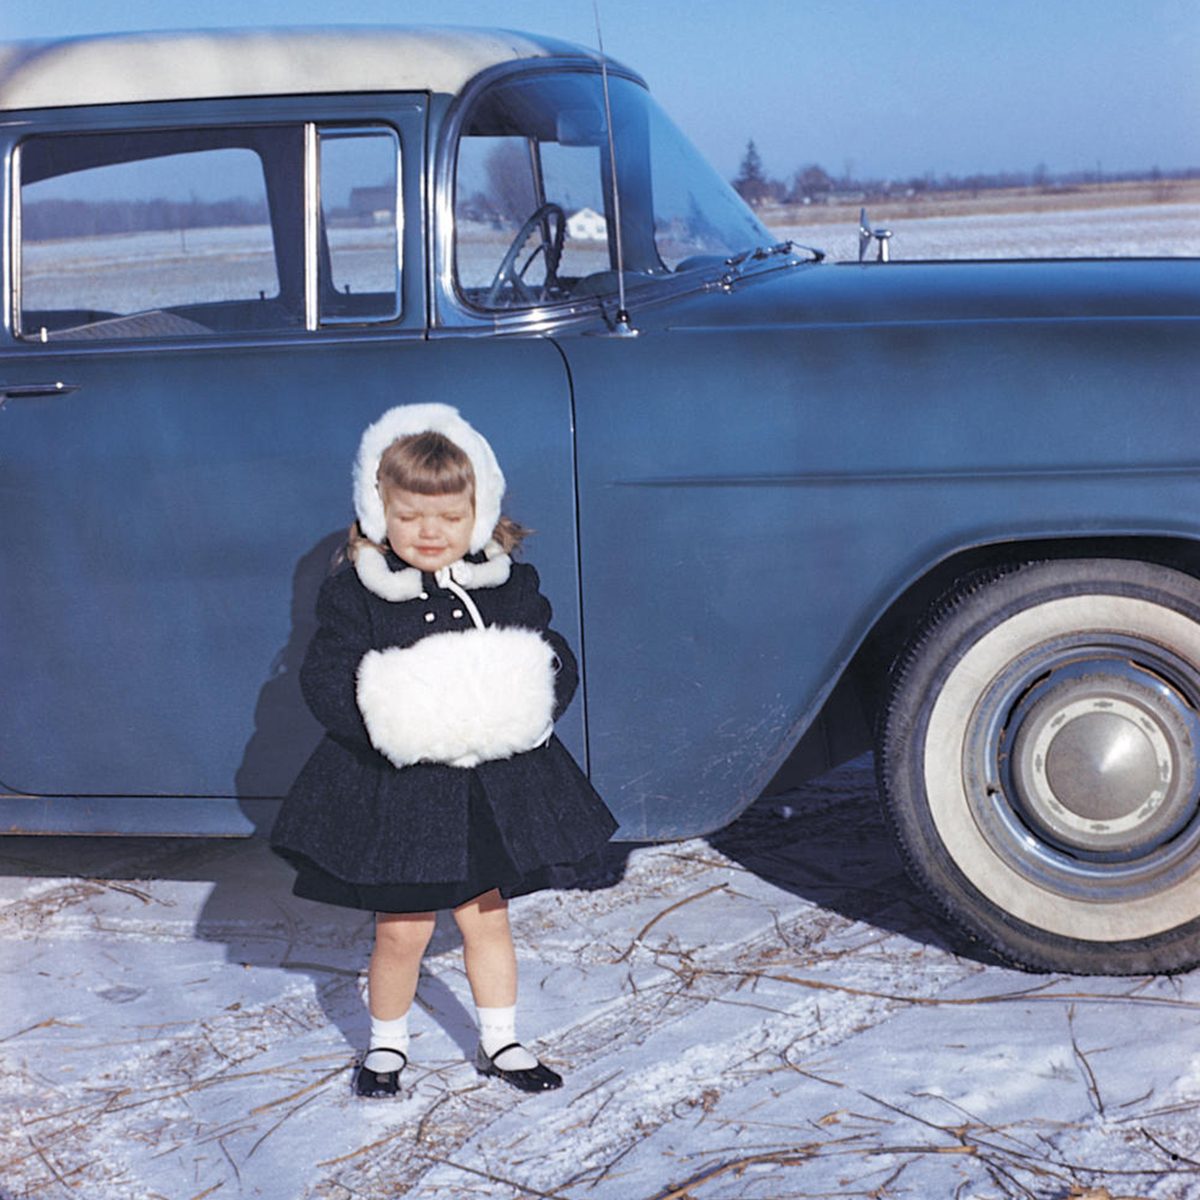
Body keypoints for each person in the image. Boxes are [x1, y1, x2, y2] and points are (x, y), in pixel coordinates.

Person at [270, 402, 618, 1098]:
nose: (429, 532)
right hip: (402, 793)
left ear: (481, 513)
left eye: (449, 517)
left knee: (487, 918)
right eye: (409, 516)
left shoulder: (509, 585)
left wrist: (528, 700)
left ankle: (503, 1040)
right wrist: (387, 715)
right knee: (402, 931)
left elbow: (552, 659)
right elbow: (327, 676)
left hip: (487, 788)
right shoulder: (358, 594)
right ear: (378, 512)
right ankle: (386, 1047)